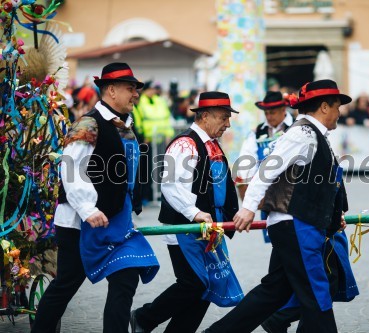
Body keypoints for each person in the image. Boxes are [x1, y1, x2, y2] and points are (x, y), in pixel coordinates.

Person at [203, 79, 352, 333]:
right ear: (324, 107)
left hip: (299, 225)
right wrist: (248, 207)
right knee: (316, 292)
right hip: (297, 225)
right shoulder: (303, 134)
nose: (340, 112)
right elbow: (266, 171)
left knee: (274, 292)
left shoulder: (314, 135)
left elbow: (326, 184)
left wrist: (334, 216)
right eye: (338, 106)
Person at [31, 63, 160, 333]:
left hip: (116, 221)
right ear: (111, 90)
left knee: (126, 276)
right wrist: (88, 208)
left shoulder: (124, 125)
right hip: (81, 222)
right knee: (66, 285)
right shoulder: (88, 123)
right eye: (130, 88)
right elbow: (71, 167)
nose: (136, 94)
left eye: (136, 89)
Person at [130, 91, 242, 333]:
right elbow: (170, 185)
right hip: (184, 228)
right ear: (204, 116)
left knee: (204, 288)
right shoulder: (185, 144)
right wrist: (194, 213)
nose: (227, 123)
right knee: (193, 284)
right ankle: (145, 317)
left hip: (205, 229)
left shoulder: (210, 144)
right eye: (223, 117)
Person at [236, 91, 293, 242]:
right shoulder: (256, 132)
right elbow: (246, 161)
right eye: (266, 113)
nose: (269, 116)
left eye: (272, 112)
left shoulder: (296, 128)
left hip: (292, 195)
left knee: (295, 239)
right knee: (277, 240)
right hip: (267, 194)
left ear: (283, 110)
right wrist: (248, 192)